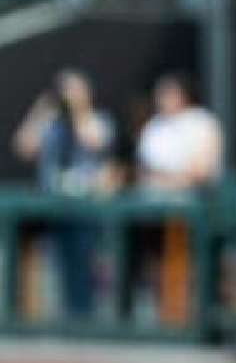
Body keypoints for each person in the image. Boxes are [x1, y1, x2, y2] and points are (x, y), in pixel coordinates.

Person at [10, 69, 115, 317]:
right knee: (52, 265)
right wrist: (42, 110)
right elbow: (23, 146)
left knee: (84, 264)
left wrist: (77, 108)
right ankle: (56, 316)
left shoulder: (98, 119)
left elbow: (94, 140)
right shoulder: (51, 122)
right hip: (51, 205)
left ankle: (84, 316)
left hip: (85, 206)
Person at [136, 73, 223, 193]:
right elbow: (143, 169)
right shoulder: (154, 125)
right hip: (156, 195)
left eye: (169, 94)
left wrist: (174, 181)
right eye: (161, 95)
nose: (164, 100)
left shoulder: (201, 121)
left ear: (183, 95)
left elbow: (202, 171)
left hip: (198, 195)